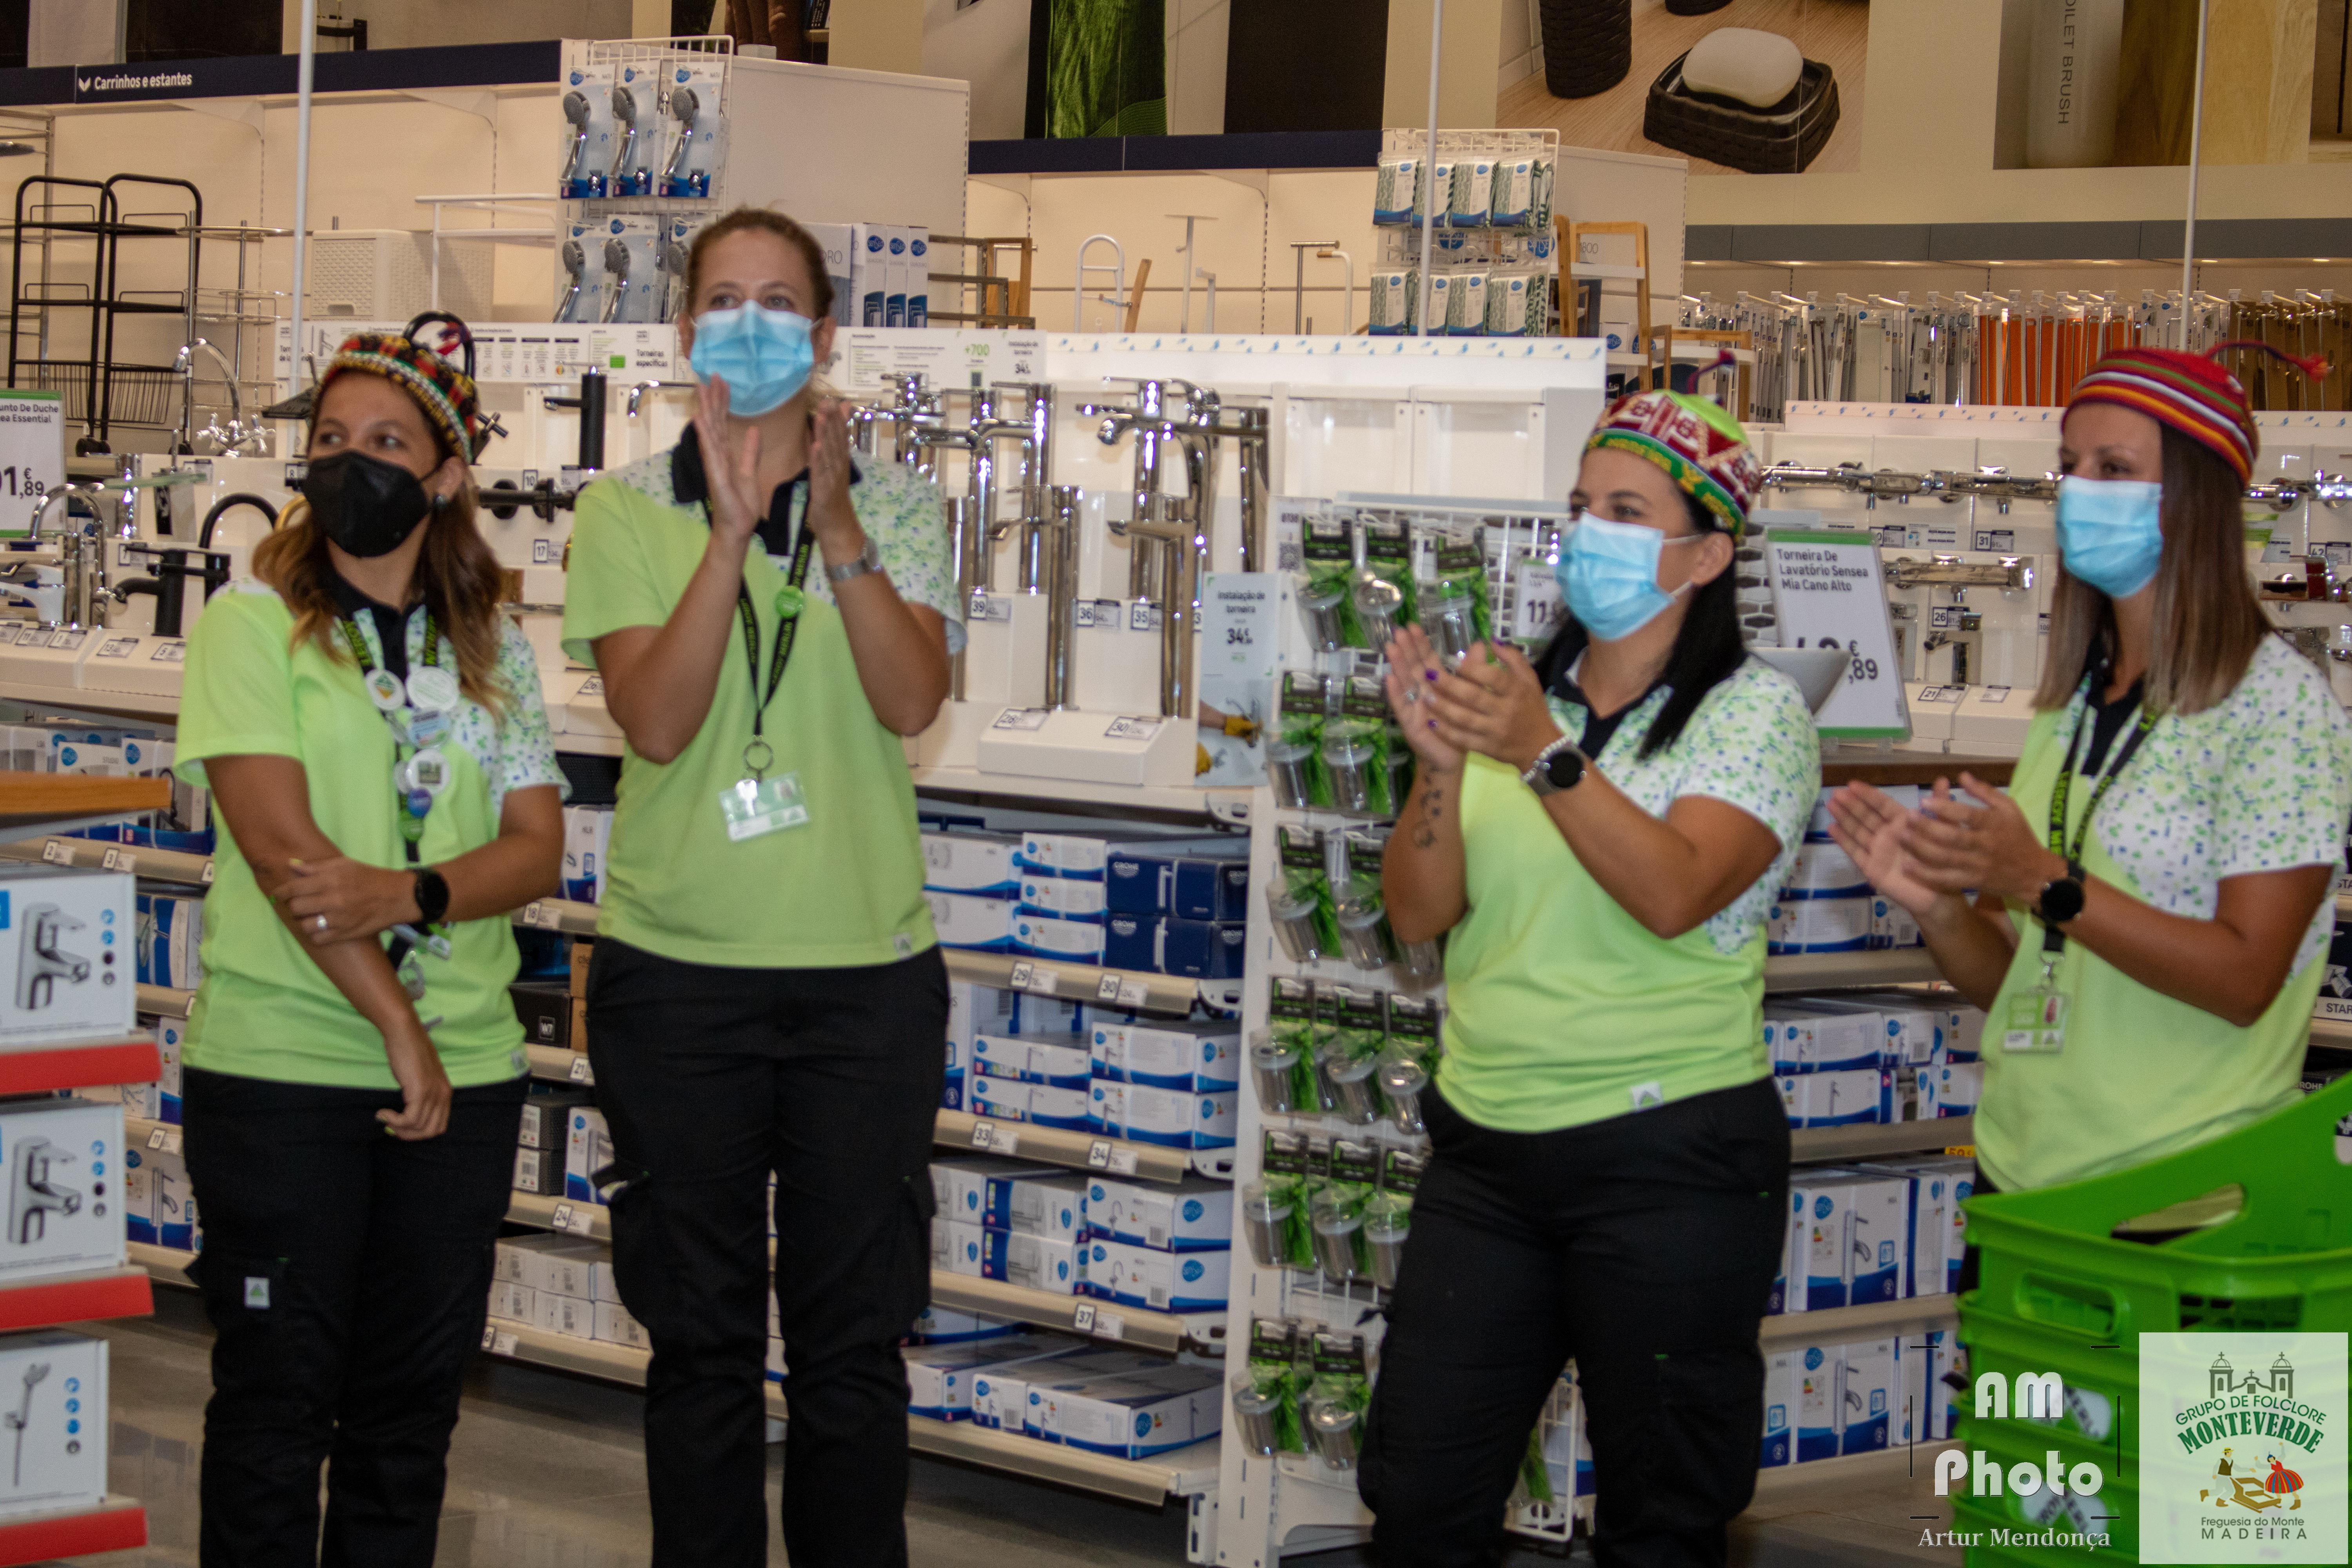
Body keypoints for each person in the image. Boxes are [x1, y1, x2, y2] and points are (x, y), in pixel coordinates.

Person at [561, 207, 962, 1568]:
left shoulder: (896, 503)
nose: (751, 322)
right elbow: (657, 722)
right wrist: (729, 536)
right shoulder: (624, 509)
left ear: (827, 336)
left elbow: (911, 700)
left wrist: (833, 525)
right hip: (680, 980)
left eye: (780, 301)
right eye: (724, 299)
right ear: (685, 334)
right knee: (701, 1345)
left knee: (855, 1350)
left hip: (866, 981)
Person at [1360, 392, 1821, 1567]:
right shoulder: (1518, 699)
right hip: (1486, 1154)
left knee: (1663, 1518)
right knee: (1419, 1497)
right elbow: (1416, 917)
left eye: (1627, 510)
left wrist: (1542, 755)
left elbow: (1674, 889)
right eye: (1581, 506)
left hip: (1669, 1159)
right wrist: (1437, 767)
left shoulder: (1752, 716)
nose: (1590, 533)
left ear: (1707, 555)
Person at [173, 330, 566, 1566]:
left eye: (387, 442)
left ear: (446, 476)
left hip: (469, 1076)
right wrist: (399, 1027)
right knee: (276, 1405)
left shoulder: (490, 646)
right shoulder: (252, 625)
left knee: (409, 1417)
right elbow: (284, 855)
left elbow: (536, 848)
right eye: (331, 440)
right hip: (282, 1072)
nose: (352, 463)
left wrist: (409, 892)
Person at [1827, 346, 2352, 1198]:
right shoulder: (2073, 704)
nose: (2080, 490)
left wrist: (2044, 880)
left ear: (2193, 498)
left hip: (2186, 1194)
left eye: (2115, 468)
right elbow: (2015, 975)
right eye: (2070, 466)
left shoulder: (2278, 709)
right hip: (2024, 1178)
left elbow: (2247, 980)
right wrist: (1938, 905)